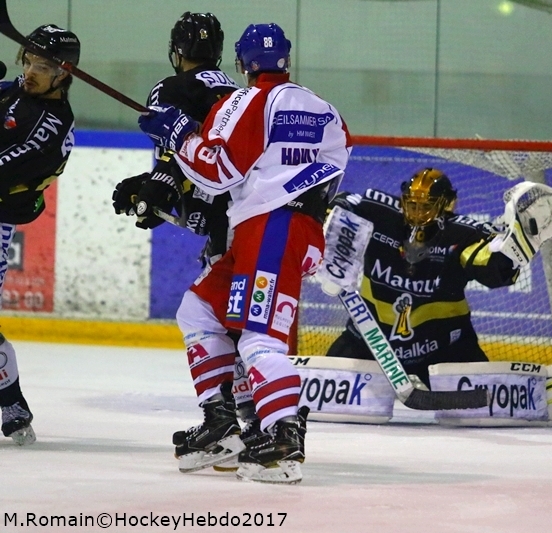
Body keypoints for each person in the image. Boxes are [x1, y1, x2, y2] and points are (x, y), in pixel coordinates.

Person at [137, 22, 351, 484]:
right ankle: (221, 424)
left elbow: (218, 172)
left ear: (241, 64)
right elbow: (330, 160)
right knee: (198, 309)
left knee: (259, 339)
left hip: (269, 231)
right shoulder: (323, 108)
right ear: (286, 59)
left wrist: (178, 134)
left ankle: (282, 440)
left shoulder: (245, 102)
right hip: (290, 229)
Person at [110, 12, 258, 459]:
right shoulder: (240, 94)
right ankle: (251, 425)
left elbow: (178, 155)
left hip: (226, 228)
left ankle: (227, 424)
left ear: (176, 52)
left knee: (207, 317)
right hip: (251, 215)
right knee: (239, 321)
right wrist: (154, 187)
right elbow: (212, 157)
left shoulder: (169, 89)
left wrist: (158, 187)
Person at [325, 168, 522, 389]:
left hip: (445, 349)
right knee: (321, 399)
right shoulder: (380, 215)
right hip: (368, 343)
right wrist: (334, 213)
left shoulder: (463, 234)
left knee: (483, 409)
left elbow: (494, 273)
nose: (418, 213)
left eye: (427, 206)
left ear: (447, 204)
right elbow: (344, 203)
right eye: (413, 205)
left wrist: (510, 253)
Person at [0, 24, 81, 445]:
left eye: (43, 65)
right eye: (28, 60)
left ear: (63, 73)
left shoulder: (52, 124)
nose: (30, 71)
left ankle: (12, 403)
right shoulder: (16, 90)